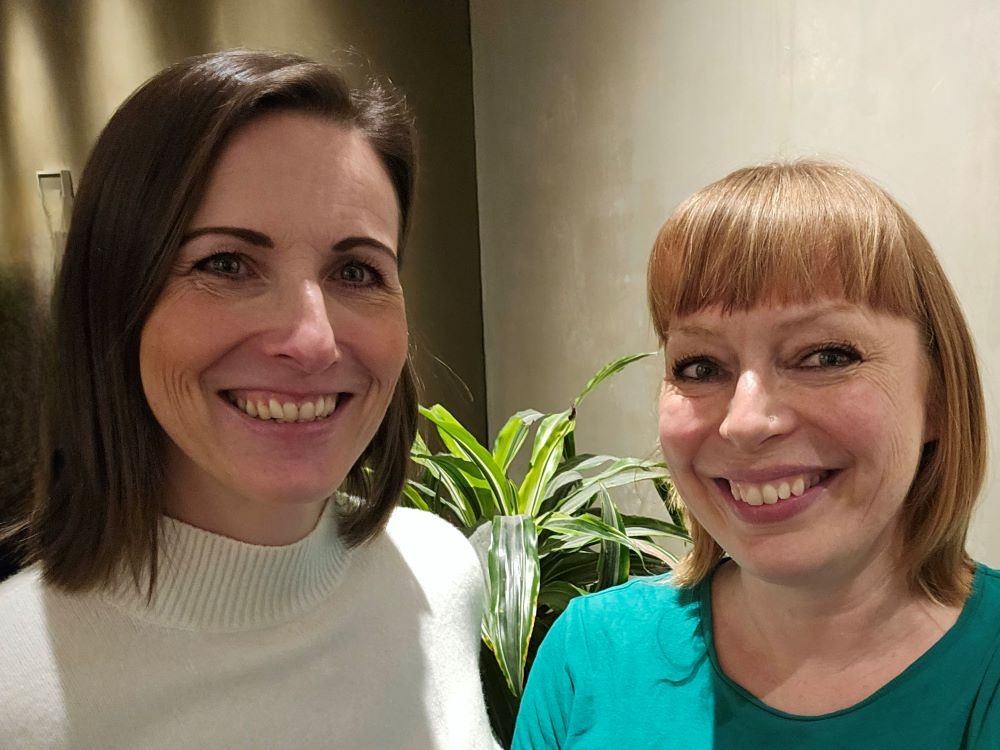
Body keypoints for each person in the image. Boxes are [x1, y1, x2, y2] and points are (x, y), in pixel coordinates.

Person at [0, 49, 497, 749]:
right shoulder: (15, 686)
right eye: (226, 264)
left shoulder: (440, 575)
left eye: (357, 270)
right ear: (115, 302)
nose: (312, 339)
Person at [512, 161, 1000, 748]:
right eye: (700, 367)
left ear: (940, 395)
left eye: (824, 355)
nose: (745, 422)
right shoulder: (587, 658)